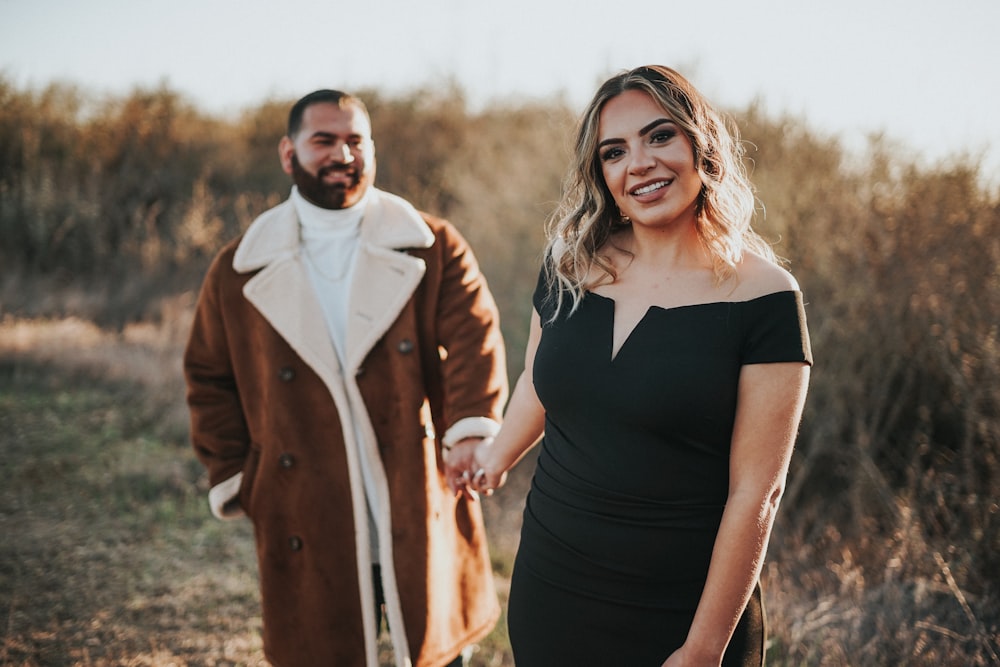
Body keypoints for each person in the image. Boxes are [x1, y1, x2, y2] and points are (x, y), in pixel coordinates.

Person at [454, 66, 813, 666]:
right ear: (601, 174)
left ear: (702, 144)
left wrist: (701, 650)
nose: (639, 163)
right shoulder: (570, 264)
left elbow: (758, 493)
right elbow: (539, 382)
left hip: (679, 611)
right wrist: (493, 459)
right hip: (553, 590)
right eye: (614, 151)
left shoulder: (765, 298)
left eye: (660, 137)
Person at [183, 89, 508, 667]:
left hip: (414, 487)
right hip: (304, 499)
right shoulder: (239, 268)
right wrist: (237, 474)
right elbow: (208, 376)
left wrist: (468, 431)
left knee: (437, 654)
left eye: (356, 140)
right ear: (289, 154)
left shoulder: (432, 245)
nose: (343, 153)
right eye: (324, 140)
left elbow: (473, 339)